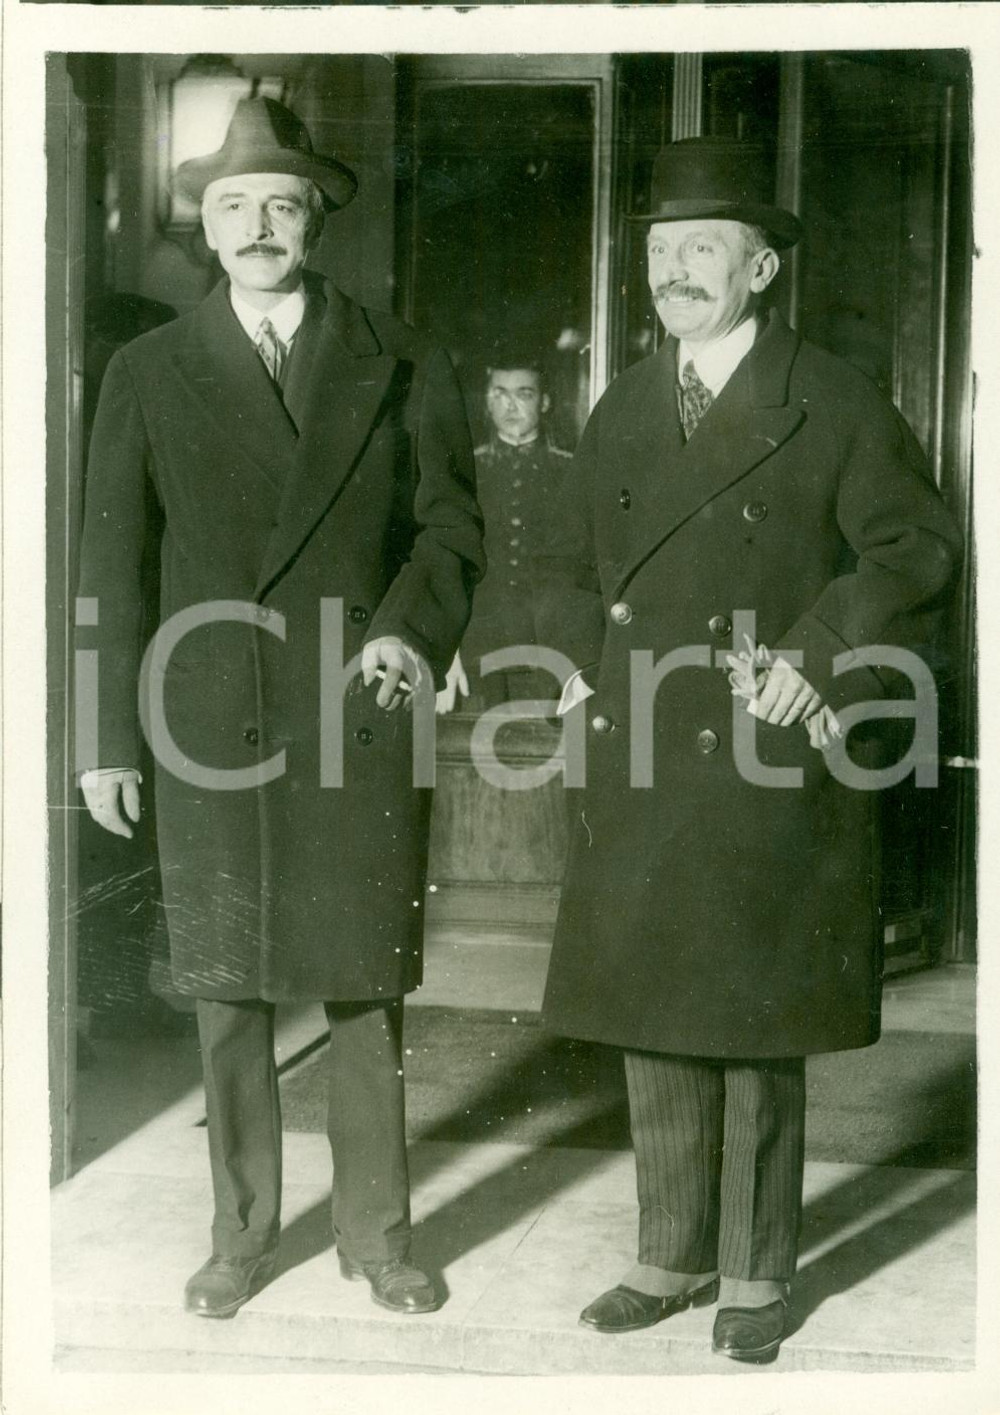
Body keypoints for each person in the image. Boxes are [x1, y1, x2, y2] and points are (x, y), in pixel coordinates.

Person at [534, 137, 962, 1362]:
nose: (674, 271)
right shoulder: (620, 401)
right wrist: (571, 666)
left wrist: (814, 653)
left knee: (754, 1021)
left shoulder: (829, 398)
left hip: (765, 742)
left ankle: (755, 1269)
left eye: (702, 249)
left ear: (761, 269)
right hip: (639, 742)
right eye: (661, 251)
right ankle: (666, 1254)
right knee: (652, 1011)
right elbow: (571, 565)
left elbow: (913, 553)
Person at [76, 98, 483, 1320]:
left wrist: (411, 634)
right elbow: (108, 564)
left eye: (282, 205)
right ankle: (239, 1232)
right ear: (207, 225)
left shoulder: (402, 356)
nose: (258, 225)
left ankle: (379, 1233)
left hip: (353, 701)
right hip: (207, 709)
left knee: (363, 984)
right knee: (225, 982)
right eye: (234, 205)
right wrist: (101, 739)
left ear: (316, 224)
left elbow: (450, 528)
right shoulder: (146, 370)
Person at [437, 354, 572, 713]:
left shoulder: (572, 472)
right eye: (499, 393)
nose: (510, 405)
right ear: (487, 400)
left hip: (554, 655)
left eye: (524, 393)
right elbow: (444, 566)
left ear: (544, 402)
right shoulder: (464, 472)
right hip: (475, 651)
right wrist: (444, 651)